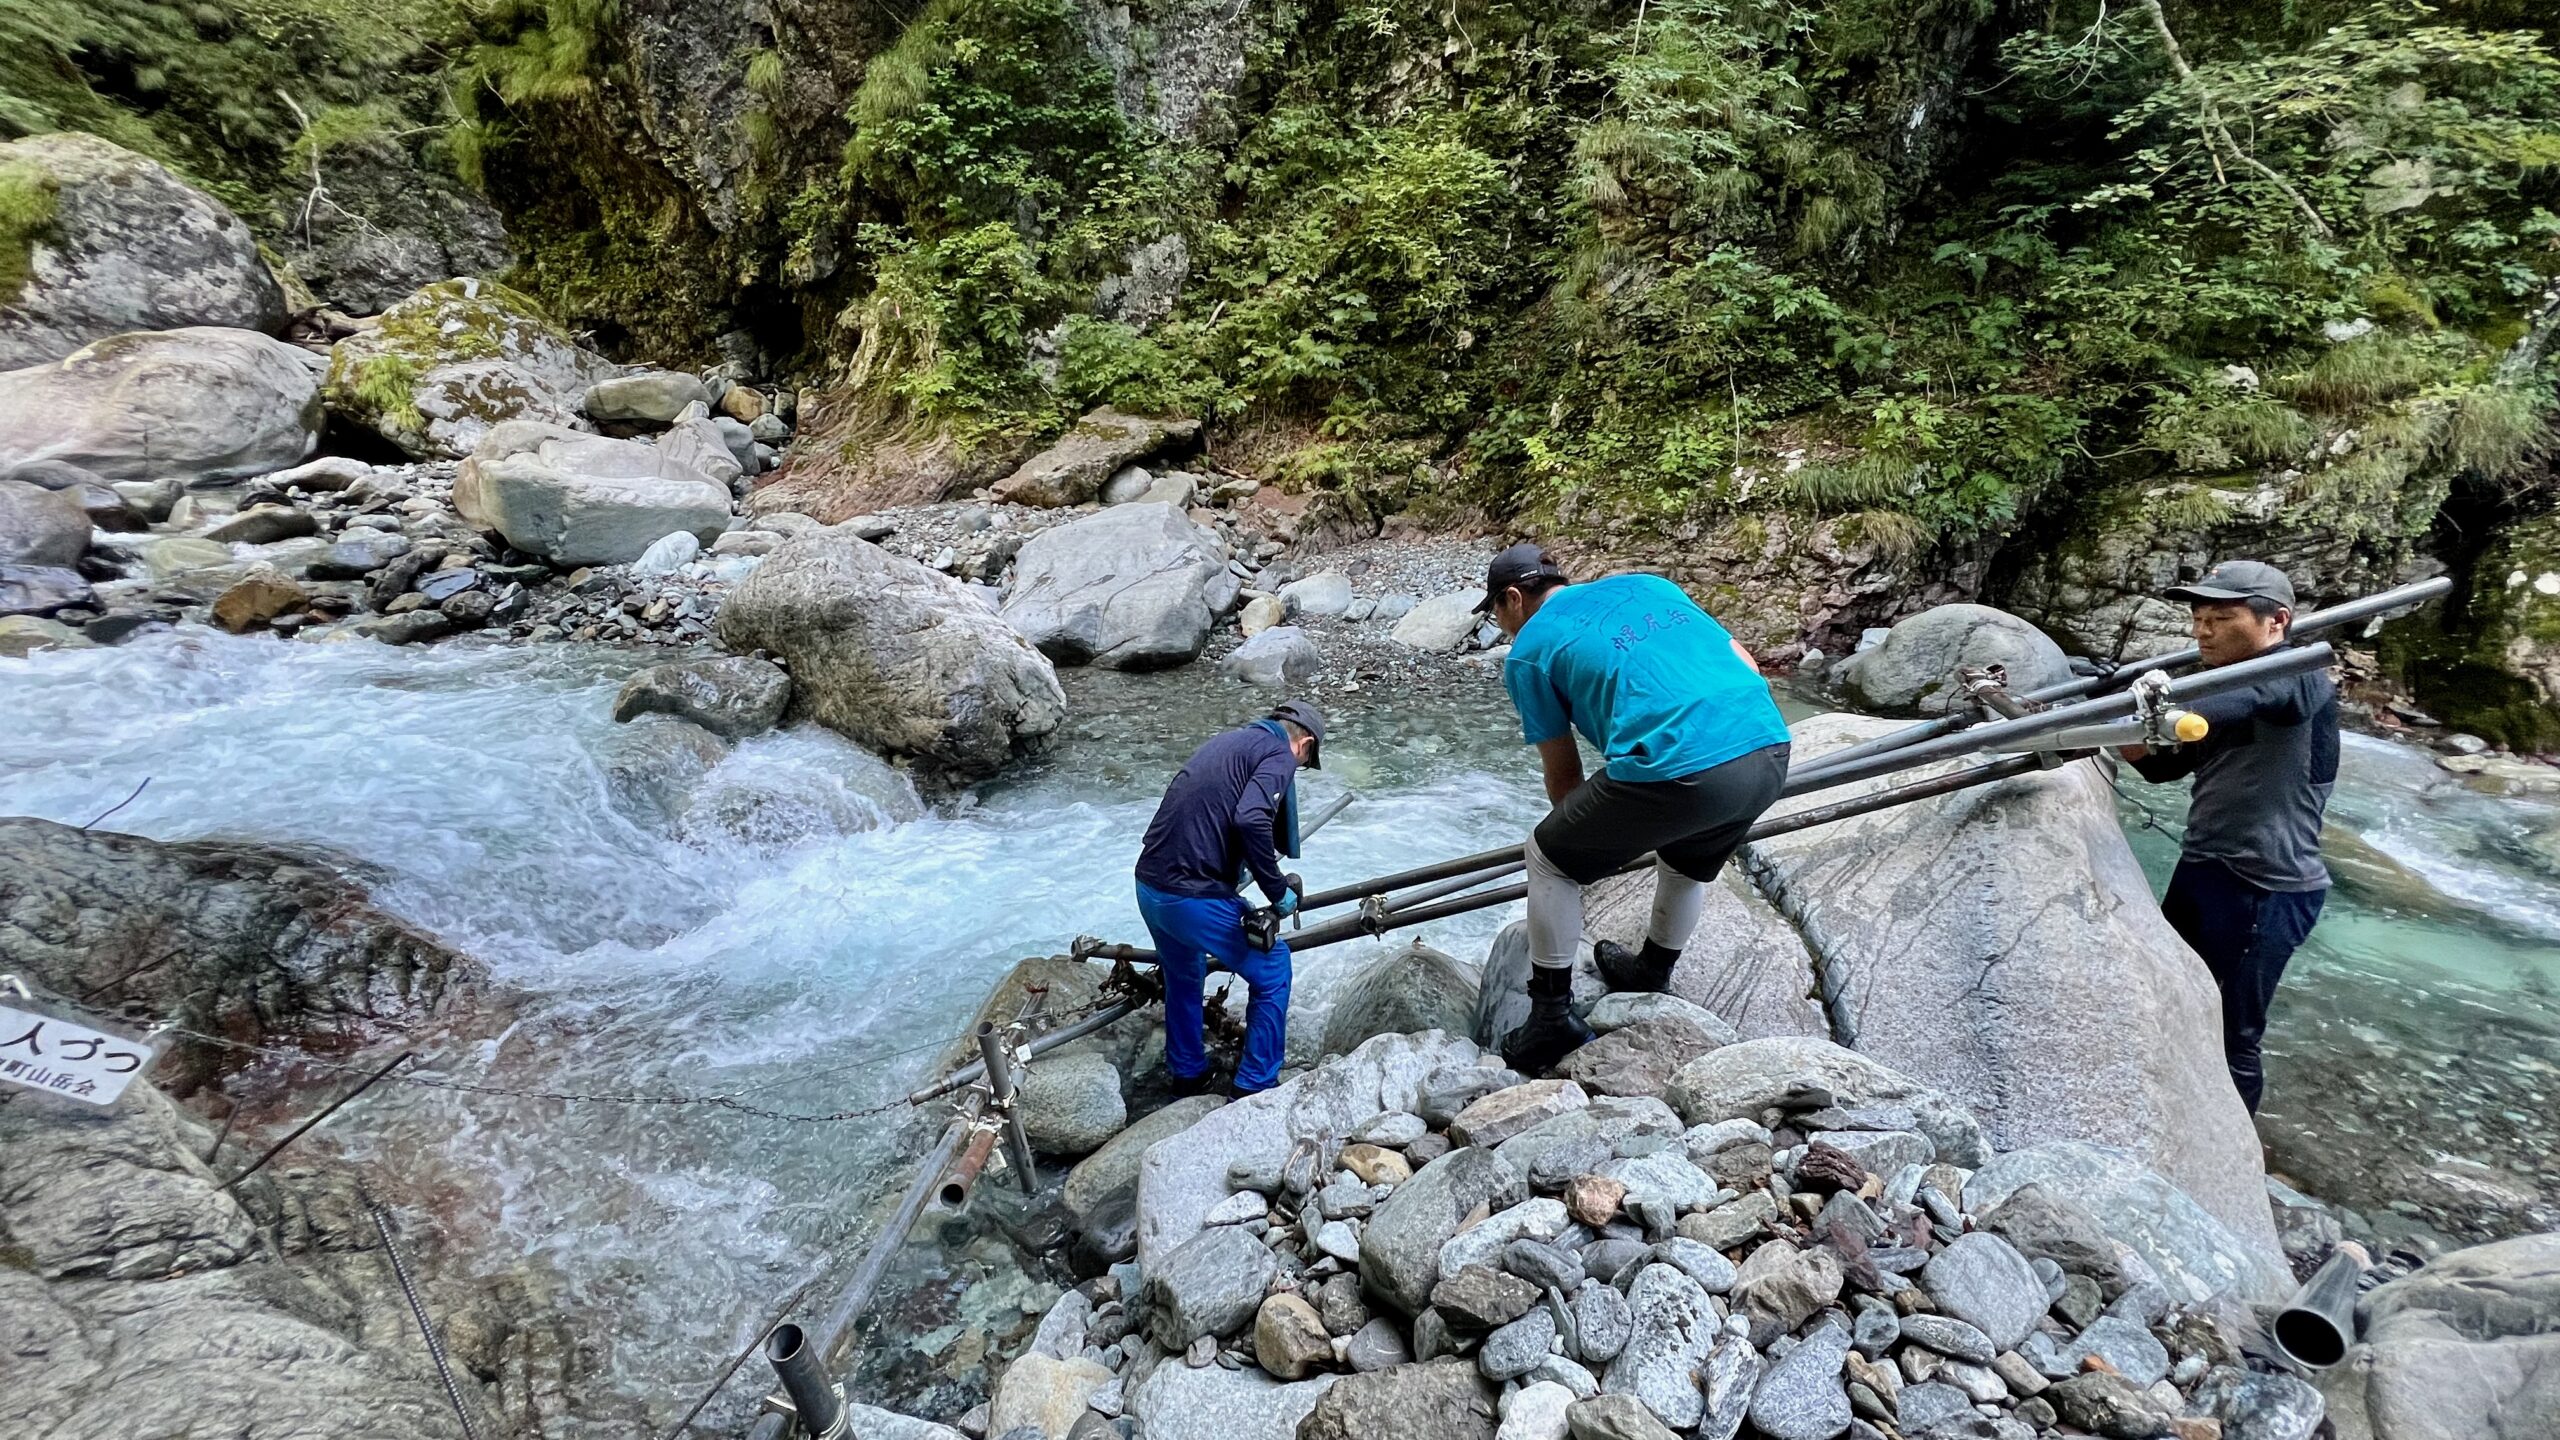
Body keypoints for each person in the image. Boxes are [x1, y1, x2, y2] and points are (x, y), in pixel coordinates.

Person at [1481, 543, 1795, 1072]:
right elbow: (1744, 660)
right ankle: (1651, 972)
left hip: (1682, 768)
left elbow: (1563, 776)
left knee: (1548, 855)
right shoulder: (1649, 585)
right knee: (1686, 856)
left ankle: (1551, 1021)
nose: (1502, 626)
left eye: (1496, 613)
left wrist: (1590, 851)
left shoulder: (1530, 650)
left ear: (1513, 598)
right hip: (1768, 747)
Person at [2119, 559, 2337, 1114]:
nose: (2202, 630)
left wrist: (2164, 702)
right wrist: (2126, 731)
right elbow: (2164, 767)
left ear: (2276, 622)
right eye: (2197, 618)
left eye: (2222, 616)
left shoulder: (2298, 672)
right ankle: (2171, 1120)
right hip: (2206, 869)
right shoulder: (2231, 688)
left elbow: (2240, 700)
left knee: (2231, 1035)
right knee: (2172, 998)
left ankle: (2234, 1177)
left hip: (2266, 887)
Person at [1133, 700, 1325, 1098]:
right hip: (1191, 898)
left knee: (1185, 975)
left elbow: (1209, 813)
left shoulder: (1230, 742)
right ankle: (1256, 1084)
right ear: (1304, 744)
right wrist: (1277, 891)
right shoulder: (1278, 754)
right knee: (1273, 967)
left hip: (1150, 887)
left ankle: (1188, 1075)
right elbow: (1251, 818)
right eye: (1305, 762)